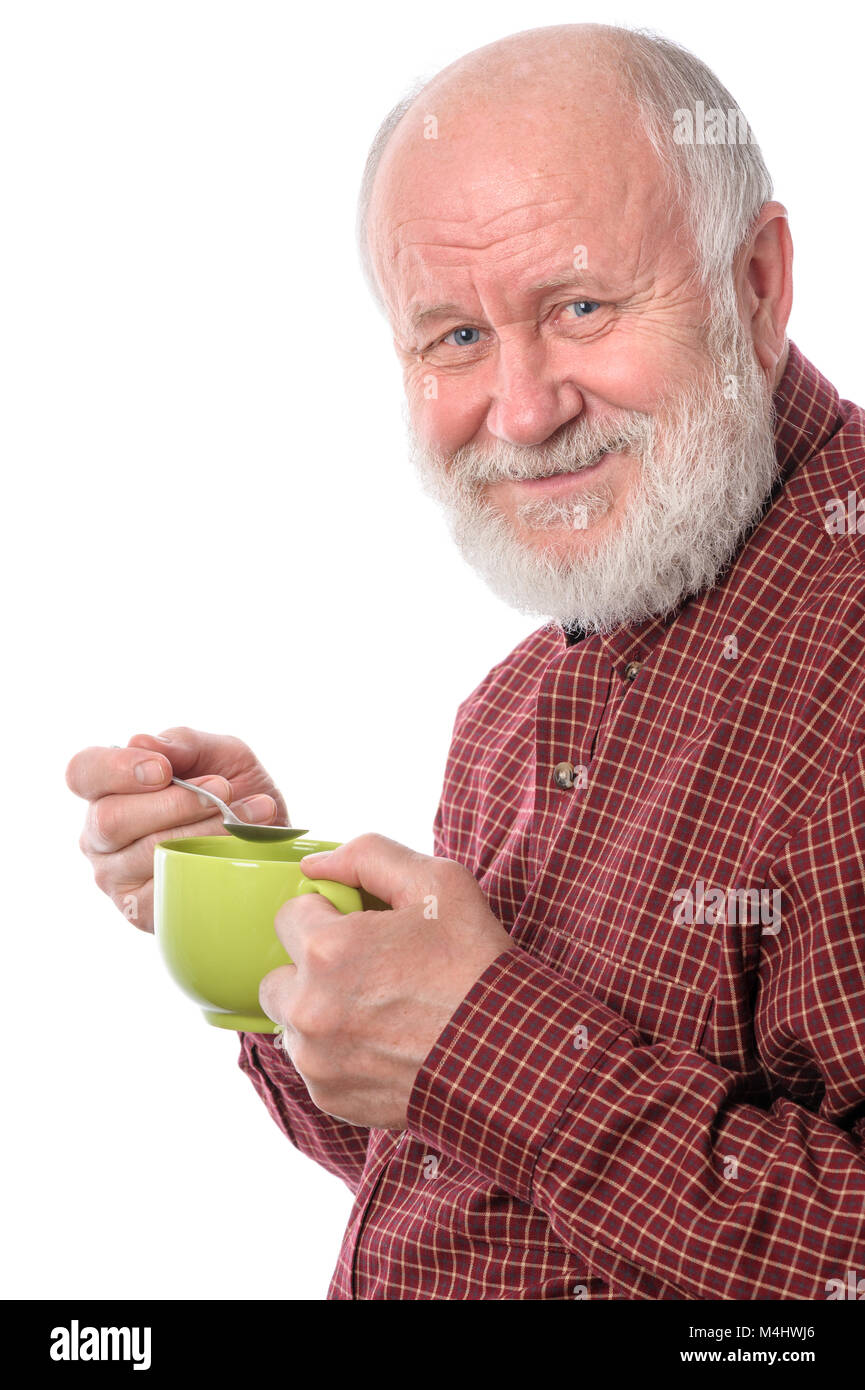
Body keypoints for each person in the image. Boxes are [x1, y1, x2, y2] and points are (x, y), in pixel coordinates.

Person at [67, 23, 865, 1300]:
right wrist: (283, 942)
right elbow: (482, 1189)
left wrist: (487, 1043)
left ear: (757, 282)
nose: (525, 407)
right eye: (453, 339)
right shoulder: (516, 707)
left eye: (583, 305)